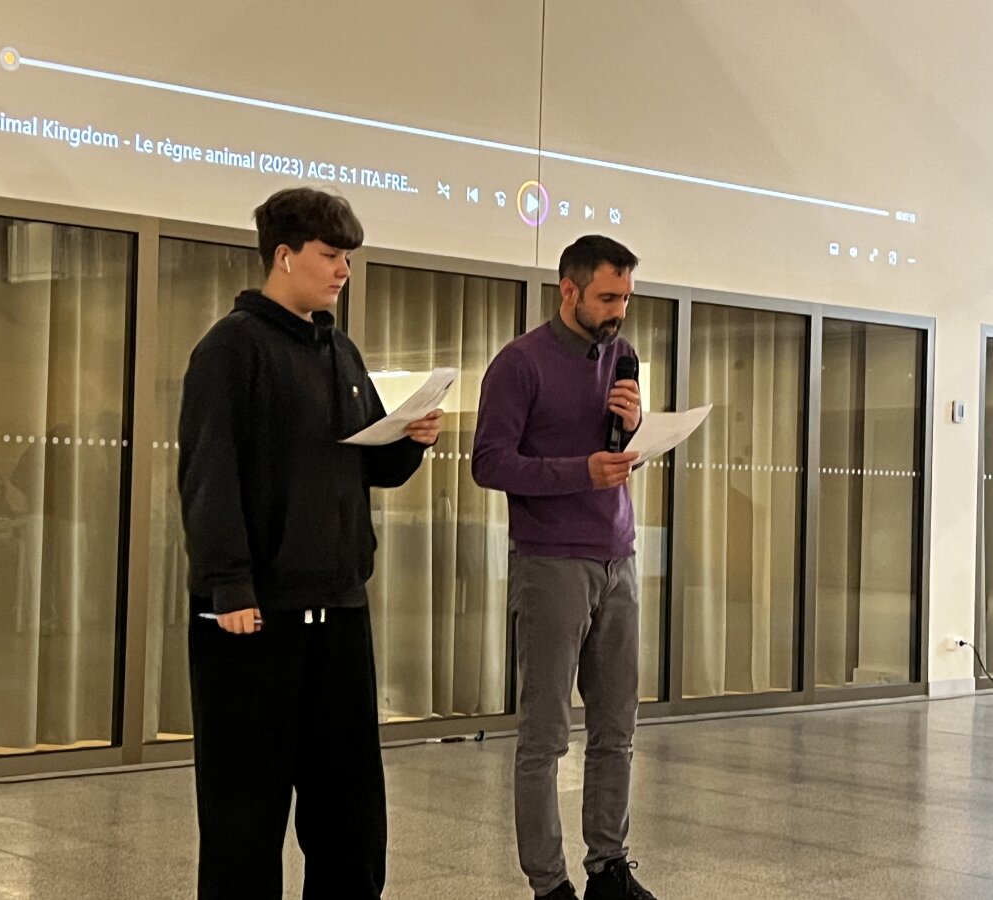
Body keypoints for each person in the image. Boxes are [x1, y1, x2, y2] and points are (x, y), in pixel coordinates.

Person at [178, 187, 441, 900]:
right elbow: (209, 474)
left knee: (350, 817)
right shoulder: (229, 349)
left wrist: (412, 439)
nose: (343, 270)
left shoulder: (340, 351)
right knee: (244, 817)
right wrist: (229, 585)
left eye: (348, 257)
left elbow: (369, 466)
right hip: (253, 618)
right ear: (284, 255)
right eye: (330, 255)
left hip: (339, 611)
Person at [472, 235, 657, 900]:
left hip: (618, 557)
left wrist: (635, 429)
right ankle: (549, 884)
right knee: (546, 735)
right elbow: (489, 462)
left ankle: (608, 867)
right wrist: (580, 471)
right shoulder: (520, 364)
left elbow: (617, 452)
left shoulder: (623, 357)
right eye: (607, 297)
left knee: (616, 729)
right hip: (550, 561)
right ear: (568, 290)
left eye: (626, 298)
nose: (619, 312)